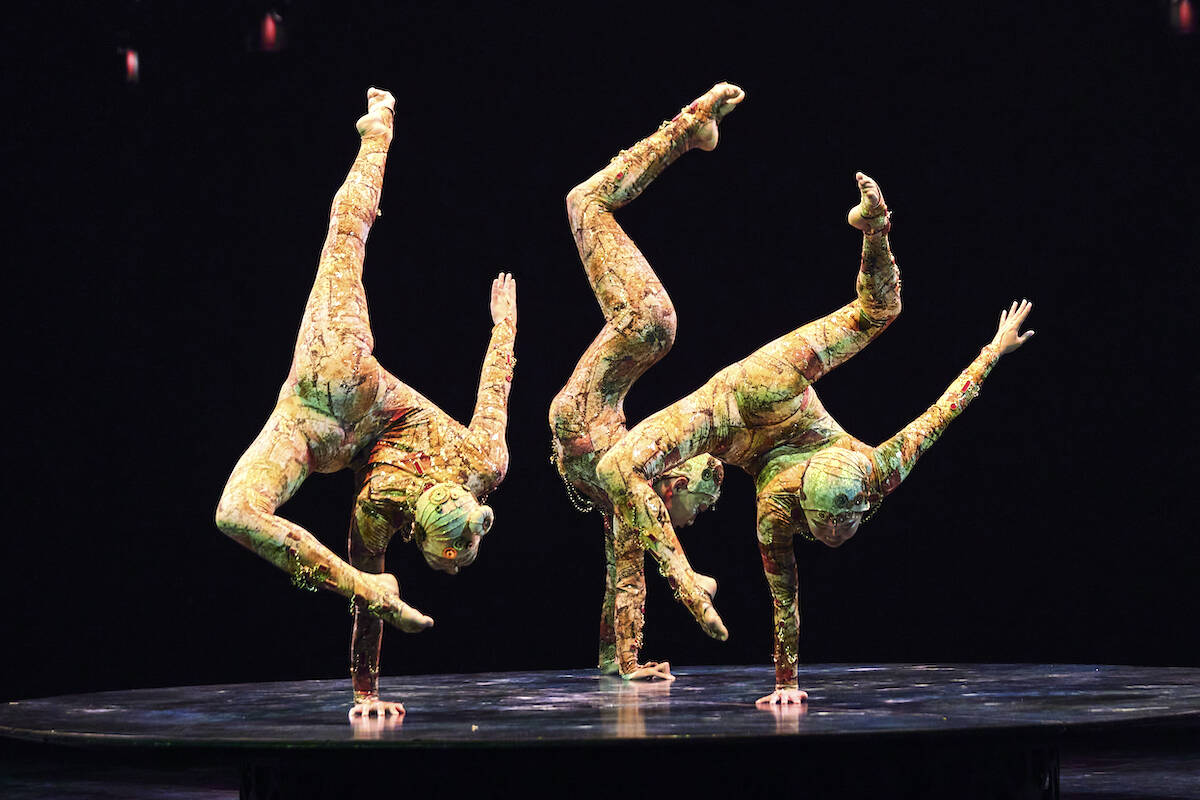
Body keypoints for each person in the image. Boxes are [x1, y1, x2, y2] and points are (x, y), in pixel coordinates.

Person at [593, 139, 1034, 702]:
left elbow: (786, 597)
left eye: (832, 530)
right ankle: (876, 228)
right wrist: (990, 352)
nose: (829, 538)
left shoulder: (840, 485)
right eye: (828, 529)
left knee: (882, 312)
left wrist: (787, 684)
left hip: (749, 418)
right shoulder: (830, 486)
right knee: (617, 469)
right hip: (749, 397)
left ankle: (874, 227)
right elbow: (941, 411)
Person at [215, 88, 517, 717]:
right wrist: (502, 327)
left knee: (346, 239)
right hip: (333, 390)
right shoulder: (465, 468)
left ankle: (378, 133)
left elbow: (496, 388)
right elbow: (495, 388)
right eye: (452, 558)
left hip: (342, 410)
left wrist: (366, 690)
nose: (454, 566)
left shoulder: (461, 474)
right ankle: (375, 132)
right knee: (344, 239)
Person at [549, 84, 746, 681]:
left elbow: (625, 572)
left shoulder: (631, 495)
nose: (695, 517)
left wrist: (622, 660)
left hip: (604, 387)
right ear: (680, 479)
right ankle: (690, 127)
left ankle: (692, 131)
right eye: (700, 505)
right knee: (585, 205)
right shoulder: (647, 475)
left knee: (585, 204)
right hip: (641, 334)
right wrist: (691, 587)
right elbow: (652, 554)